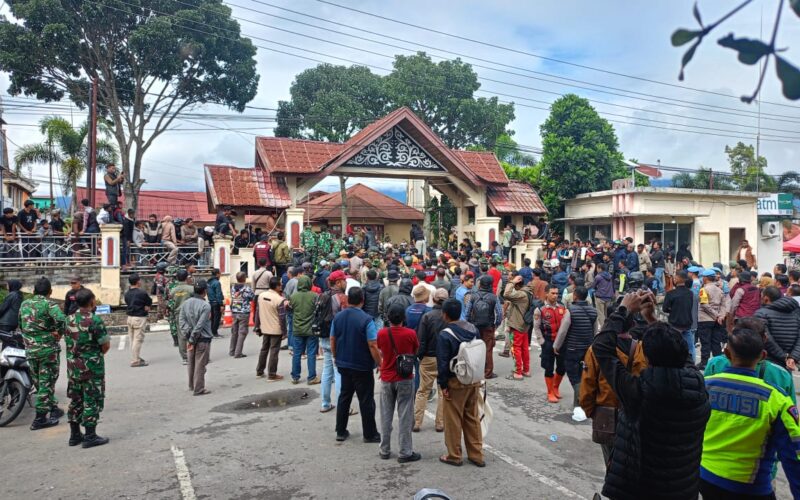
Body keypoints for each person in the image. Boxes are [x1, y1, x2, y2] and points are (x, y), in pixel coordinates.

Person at [592, 291, 711, 499]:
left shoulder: (638, 391)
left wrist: (623, 309)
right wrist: (651, 318)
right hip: (682, 486)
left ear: (646, 357)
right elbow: (678, 350)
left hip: (640, 487)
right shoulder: (697, 383)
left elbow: (601, 347)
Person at [700, 326, 800, 499]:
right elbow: (793, 455)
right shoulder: (776, 399)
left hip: (705, 477)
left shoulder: (704, 386)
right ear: (763, 356)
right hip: (752, 487)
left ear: (727, 353)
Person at [580, 310, 648, 467]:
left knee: (611, 463)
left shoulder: (596, 350)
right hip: (635, 414)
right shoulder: (642, 349)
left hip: (606, 415)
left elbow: (588, 387)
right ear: (633, 324)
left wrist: (592, 412)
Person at [437, 298, 484, 467]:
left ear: (445, 314)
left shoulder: (445, 334)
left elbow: (442, 363)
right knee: (472, 418)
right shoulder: (473, 329)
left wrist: (443, 385)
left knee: (453, 420)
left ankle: (454, 455)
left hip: (455, 381)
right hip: (473, 379)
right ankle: (477, 454)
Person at [331, 287, 382, 443]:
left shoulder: (338, 317)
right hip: (362, 364)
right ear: (362, 300)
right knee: (366, 399)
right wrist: (379, 363)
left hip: (344, 363)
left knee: (344, 396)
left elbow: (333, 338)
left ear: (348, 299)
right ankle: (369, 433)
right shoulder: (366, 319)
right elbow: (372, 344)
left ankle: (341, 431)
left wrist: (336, 356)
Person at [64, 288, 111, 448]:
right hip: (91, 368)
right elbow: (105, 345)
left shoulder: (68, 319)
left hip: (73, 368)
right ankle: (90, 436)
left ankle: (75, 435)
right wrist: (94, 356)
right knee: (91, 400)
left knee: (76, 400)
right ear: (91, 301)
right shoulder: (95, 320)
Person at [376, 303, 421, 463]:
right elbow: (415, 351)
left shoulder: (382, 333)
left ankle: (384, 449)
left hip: (387, 377)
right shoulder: (410, 333)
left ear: (388, 318)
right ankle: (405, 451)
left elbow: (380, 350)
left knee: (385, 415)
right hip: (405, 377)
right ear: (404, 318)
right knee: (405, 416)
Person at [20, 277, 66, 430]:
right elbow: (62, 320)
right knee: (47, 382)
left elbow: (21, 324)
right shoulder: (49, 304)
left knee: (39, 382)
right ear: (50, 291)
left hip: (30, 349)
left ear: (33, 291)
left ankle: (53, 408)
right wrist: (58, 333)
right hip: (47, 350)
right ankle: (40, 418)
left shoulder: (24, 304)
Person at [553, 286, 597, 419]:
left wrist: (557, 345)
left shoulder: (570, 310)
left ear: (575, 296)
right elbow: (595, 330)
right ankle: (580, 401)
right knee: (584, 374)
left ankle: (580, 402)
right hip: (587, 348)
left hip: (572, 348)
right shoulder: (593, 311)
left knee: (574, 376)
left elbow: (563, 331)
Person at [414, 288, 448, 432]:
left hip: (428, 357)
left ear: (433, 299)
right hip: (444, 358)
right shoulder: (449, 317)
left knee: (422, 391)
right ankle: (440, 423)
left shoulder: (427, 316)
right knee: (442, 392)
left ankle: (417, 422)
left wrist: (420, 355)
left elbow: (421, 339)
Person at [319, 270, 348, 413]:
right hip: (337, 339)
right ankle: (343, 407)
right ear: (338, 282)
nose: (346, 282)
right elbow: (346, 320)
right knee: (339, 372)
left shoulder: (323, 295)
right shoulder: (341, 298)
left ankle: (325, 403)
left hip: (324, 337)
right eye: (344, 280)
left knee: (327, 371)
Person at [534, 285, 568, 402]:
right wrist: (542, 342)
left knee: (562, 367)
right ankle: (550, 392)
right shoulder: (540, 309)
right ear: (546, 294)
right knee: (549, 368)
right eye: (553, 293)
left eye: (557, 293)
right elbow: (536, 327)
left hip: (561, 342)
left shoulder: (562, 307)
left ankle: (555, 387)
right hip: (548, 341)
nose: (555, 296)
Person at [465, 275, 502, 379]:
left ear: (480, 284)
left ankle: (476, 370)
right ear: (490, 285)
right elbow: (499, 314)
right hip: (488, 326)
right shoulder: (494, 297)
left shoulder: (473, 296)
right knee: (488, 349)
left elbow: (467, 312)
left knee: (476, 348)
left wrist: (469, 324)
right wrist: (495, 325)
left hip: (475, 326)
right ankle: (488, 373)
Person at [179, 279, 213, 396]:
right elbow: (200, 325)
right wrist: (192, 338)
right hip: (201, 338)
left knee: (191, 362)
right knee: (200, 364)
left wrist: (188, 335)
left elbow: (181, 321)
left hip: (190, 337)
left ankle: (192, 385)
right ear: (205, 291)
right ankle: (198, 388)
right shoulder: (205, 305)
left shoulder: (186, 303)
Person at [755, 286, 800, 371]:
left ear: (766, 298)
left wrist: (784, 356)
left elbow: (766, 338)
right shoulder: (795, 312)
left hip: (767, 363)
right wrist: (792, 357)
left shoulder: (761, 314)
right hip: (788, 364)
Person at [254, 277, 286, 380]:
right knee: (274, 351)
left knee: (264, 349)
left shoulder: (261, 296)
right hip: (276, 329)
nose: (281, 286)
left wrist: (257, 326)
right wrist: (284, 332)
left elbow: (257, 312)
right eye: (280, 284)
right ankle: (272, 374)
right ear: (277, 286)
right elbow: (282, 317)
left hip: (264, 327)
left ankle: (259, 371)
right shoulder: (279, 299)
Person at [289, 275, 319, 385]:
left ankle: (295, 377)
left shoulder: (293, 296)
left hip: (297, 329)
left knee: (297, 353)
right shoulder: (314, 296)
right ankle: (311, 377)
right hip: (311, 329)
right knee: (311, 353)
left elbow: (291, 310)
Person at [503, 275, 533, 381]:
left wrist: (512, 282)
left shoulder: (521, 294)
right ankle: (526, 370)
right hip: (524, 325)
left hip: (517, 324)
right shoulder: (528, 292)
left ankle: (518, 372)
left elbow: (506, 294)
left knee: (516, 348)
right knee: (524, 348)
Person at [662, 270, 696, 362]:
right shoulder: (690, 293)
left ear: (677, 279)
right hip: (687, 325)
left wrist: (673, 310)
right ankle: (692, 365)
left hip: (674, 325)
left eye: (674, 277)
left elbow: (665, 309)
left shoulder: (670, 294)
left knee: (673, 348)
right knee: (690, 349)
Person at [698, 268, 727, 369]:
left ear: (705, 278)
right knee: (716, 342)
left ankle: (704, 363)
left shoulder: (703, 290)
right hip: (717, 320)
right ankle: (718, 362)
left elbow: (704, 305)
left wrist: (716, 315)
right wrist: (721, 316)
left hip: (705, 319)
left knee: (705, 342)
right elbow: (723, 305)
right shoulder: (720, 290)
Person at [124, 273, 152, 368]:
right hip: (139, 318)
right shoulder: (142, 293)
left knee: (132, 339)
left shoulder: (127, 293)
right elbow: (148, 303)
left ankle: (135, 357)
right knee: (138, 339)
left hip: (130, 317)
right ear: (137, 282)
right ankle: (135, 360)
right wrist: (146, 307)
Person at [229, 271, 255, 358]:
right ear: (244, 278)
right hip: (243, 312)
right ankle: (238, 352)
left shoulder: (233, 287)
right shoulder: (247, 288)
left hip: (234, 311)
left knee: (234, 332)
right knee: (242, 332)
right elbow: (252, 297)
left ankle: (232, 351)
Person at [207, 269, 224, 338]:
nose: (220, 275)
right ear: (217, 274)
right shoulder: (217, 283)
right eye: (220, 273)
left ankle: (211, 332)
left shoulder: (208, 282)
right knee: (217, 318)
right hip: (216, 302)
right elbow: (218, 294)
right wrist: (221, 304)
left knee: (212, 318)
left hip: (210, 302)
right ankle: (215, 333)